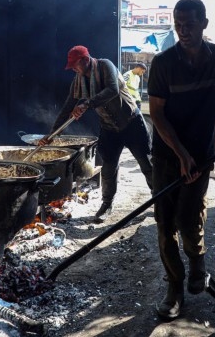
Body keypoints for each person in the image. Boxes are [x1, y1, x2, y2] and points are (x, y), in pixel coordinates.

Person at [147, 0, 215, 320]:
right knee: (165, 226)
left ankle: (197, 261)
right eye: (178, 24)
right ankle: (174, 288)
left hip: (203, 156)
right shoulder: (163, 63)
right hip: (167, 155)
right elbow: (157, 115)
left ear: (204, 23)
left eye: (189, 24)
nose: (183, 31)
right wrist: (181, 154)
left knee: (189, 220)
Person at [39, 45, 153, 223]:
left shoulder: (105, 66)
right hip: (109, 127)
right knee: (108, 168)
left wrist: (86, 104)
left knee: (147, 164)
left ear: (85, 60)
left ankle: (160, 200)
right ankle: (106, 204)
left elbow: (112, 89)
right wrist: (51, 134)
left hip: (131, 122)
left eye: (75, 65)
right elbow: (67, 108)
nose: (74, 70)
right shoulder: (78, 81)